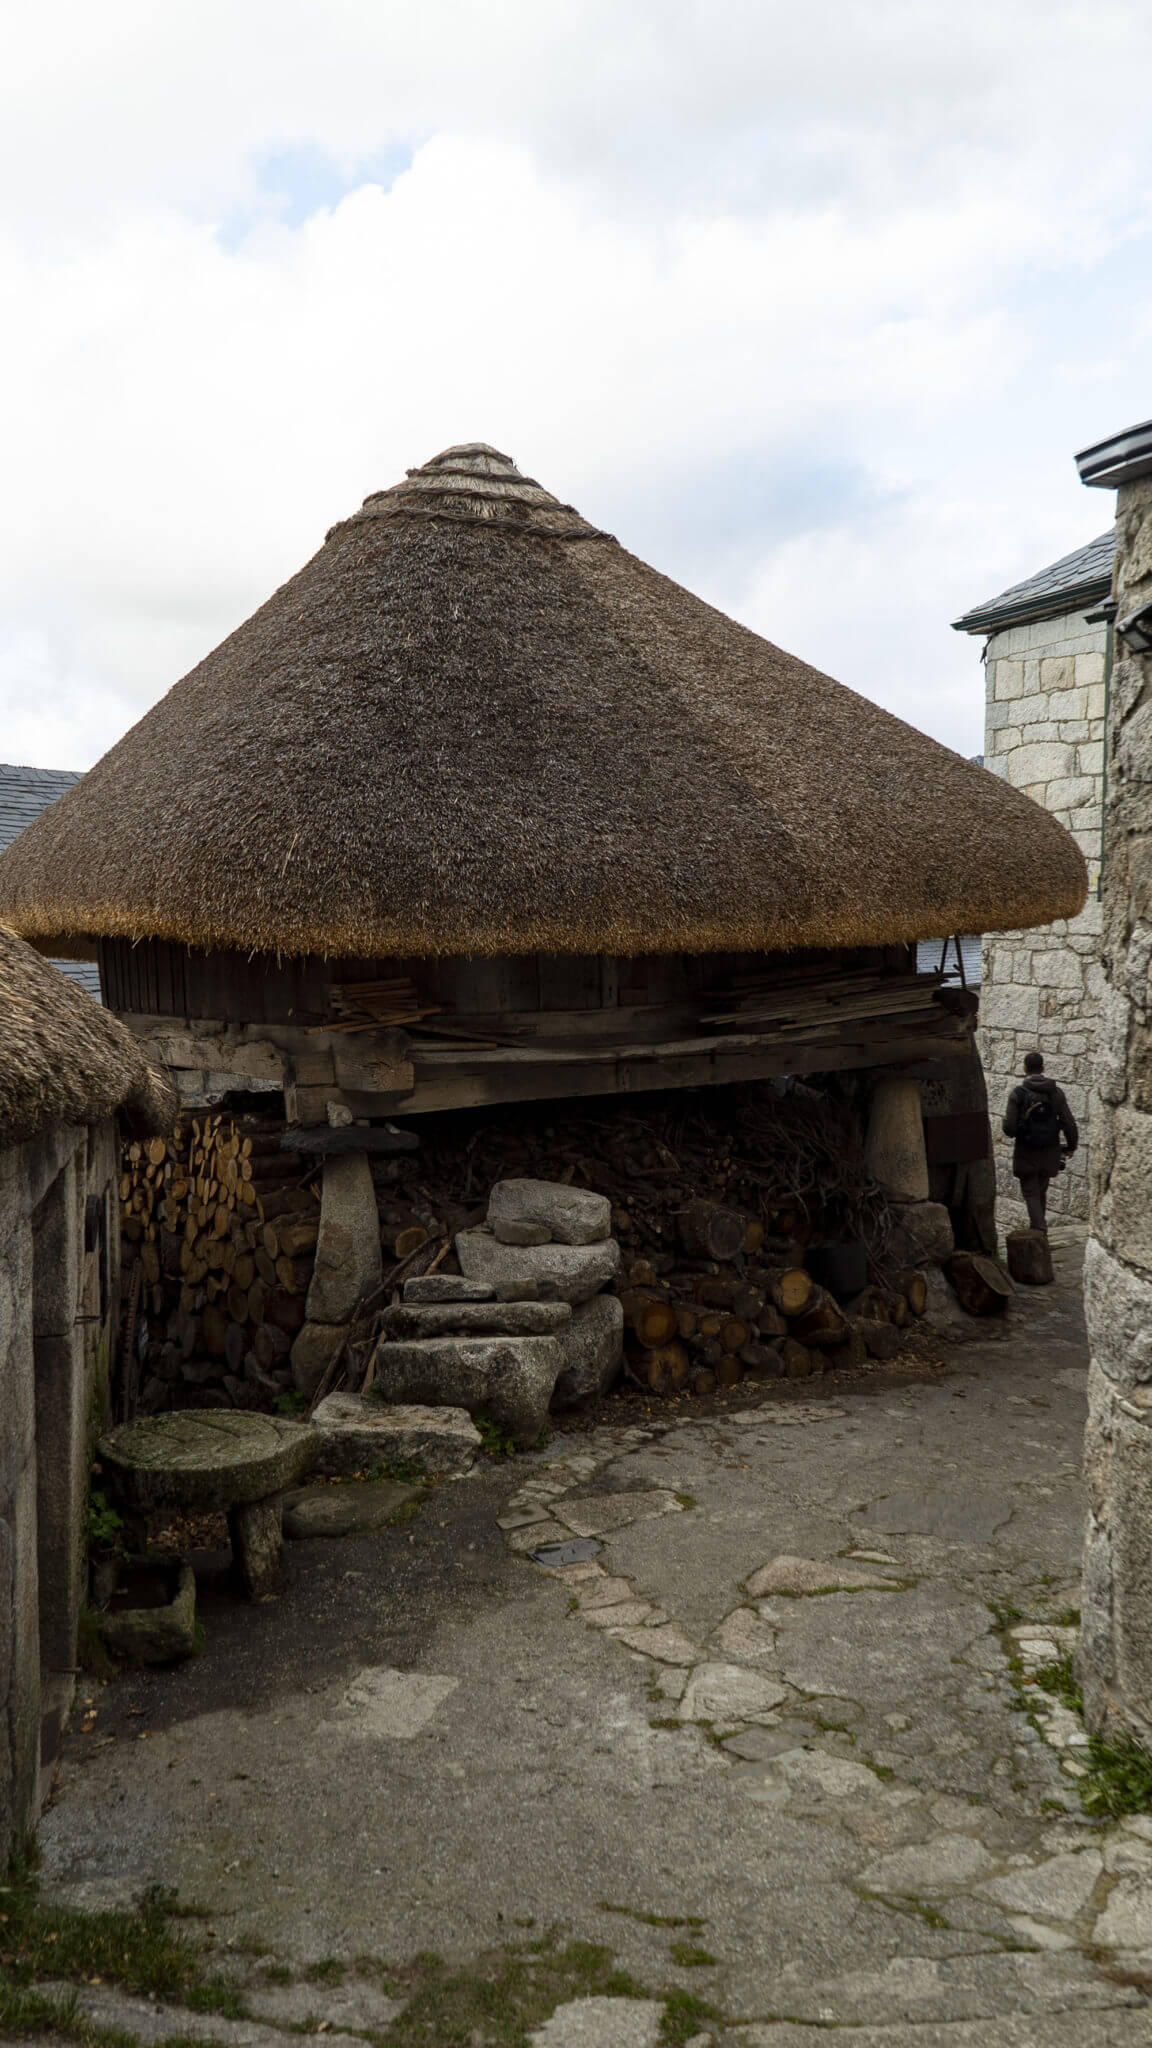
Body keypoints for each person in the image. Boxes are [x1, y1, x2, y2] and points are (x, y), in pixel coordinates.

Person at [1002, 1051, 1078, 1235]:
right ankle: (1038, 1230)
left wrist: (1019, 1128)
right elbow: (1068, 1122)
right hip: (1050, 1149)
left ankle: (1039, 1229)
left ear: (1025, 1069)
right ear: (1043, 1068)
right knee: (1040, 1190)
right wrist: (1071, 1146)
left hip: (1026, 1150)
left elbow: (1009, 1128)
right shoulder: (1056, 1093)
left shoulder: (1018, 1094)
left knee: (1030, 1192)